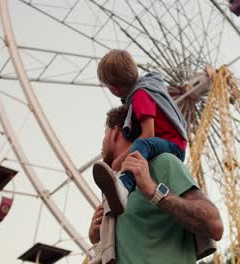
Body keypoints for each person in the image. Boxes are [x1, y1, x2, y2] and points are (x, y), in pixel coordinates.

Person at [88, 105, 223, 264]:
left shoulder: (162, 163)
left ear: (115, 132)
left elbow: (215, 225)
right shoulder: (114, 187)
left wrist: (154, 191)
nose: (102, 142)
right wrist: (98, 236)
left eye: (105, 133)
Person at [95, 49, 188, 215]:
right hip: (172, 143)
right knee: (143, 146)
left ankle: (123, 187)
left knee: (142, 143)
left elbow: (148, 133)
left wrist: (120, 161)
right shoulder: (150, 87)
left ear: (114, 88)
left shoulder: (140, 95)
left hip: (173, 145)